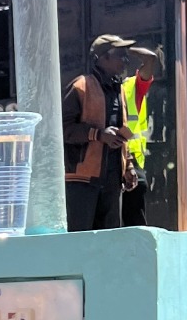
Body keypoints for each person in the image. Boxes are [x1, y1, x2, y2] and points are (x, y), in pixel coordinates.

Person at [63, 34, 140, 231]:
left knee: (109, 241)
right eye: (120, 55)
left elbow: (122, 134)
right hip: (82, 181)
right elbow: (62, 129)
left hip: (112, 181)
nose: (126, 60)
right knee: (80, 239)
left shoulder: (119, 91)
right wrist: (98, 134)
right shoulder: (81, 87)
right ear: (103, 57)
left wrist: (128, 166)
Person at [121, 45, 163, 226]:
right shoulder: (96, 88)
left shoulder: (132, 87)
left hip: (132, 159)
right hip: (108, 159)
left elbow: (150, 59)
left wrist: (125, 48)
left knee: (135, 207)